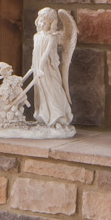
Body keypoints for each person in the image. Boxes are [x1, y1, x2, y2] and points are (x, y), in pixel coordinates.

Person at [27, 8, 76, 137]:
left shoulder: (52, 38)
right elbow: (35, 53)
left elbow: (46, 54)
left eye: (45, 21)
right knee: (41, 92)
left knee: (52, 90)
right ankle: (44, 117)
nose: (41, 23)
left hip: (48, 69)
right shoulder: (36, 36)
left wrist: (41, 68)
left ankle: (59, 116)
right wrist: (34, 66)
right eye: (40, 20)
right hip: (38, 67)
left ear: (51, 23)